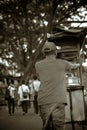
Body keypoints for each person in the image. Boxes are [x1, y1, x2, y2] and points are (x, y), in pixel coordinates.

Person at [35, 41, 80, 130]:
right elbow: (75, 66)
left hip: (43, 100)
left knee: (46, 127)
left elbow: (41, 77)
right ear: (55, 52)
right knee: (59, 127)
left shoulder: (38, 65)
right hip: (58, 100)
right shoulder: (63, 63)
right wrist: (80, 61)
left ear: (44, 53)